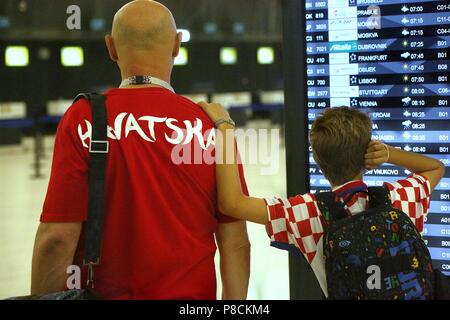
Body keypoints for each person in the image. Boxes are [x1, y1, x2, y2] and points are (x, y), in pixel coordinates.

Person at [31, 0, 250, 300]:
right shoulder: (212, 126)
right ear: (176, 45)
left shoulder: (83, 118)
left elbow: (56, 239)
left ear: (111, 47)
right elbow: (235, 242)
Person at [198, 103, 445, 298]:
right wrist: (389, 154)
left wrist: (225, 128)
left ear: (317, 158)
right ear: (368, 151)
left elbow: (231, 203)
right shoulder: (400, 197)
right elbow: (435, 169)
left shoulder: (306, 213)